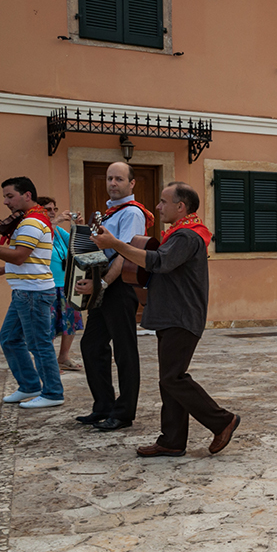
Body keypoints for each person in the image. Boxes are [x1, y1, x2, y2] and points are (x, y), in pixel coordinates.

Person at [92, 182, 240, 458]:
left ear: (180, 206)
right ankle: (172, 440)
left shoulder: (186, 236)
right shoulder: (180, 234)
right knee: (168, 379)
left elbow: (158, 262)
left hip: (181, 316)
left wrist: (115, 244)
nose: (158, 207)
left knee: (173, 378)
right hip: (172, 314)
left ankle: (222, 420)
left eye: (163, 202)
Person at [0, 177, 64, 409]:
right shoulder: (28, 220)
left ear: (27, 195)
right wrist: (5, 269)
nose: (5, 202)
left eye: (9, 196)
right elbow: (32, 259)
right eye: (4, 197)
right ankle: (29, 385)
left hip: (33, 293)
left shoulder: (32, 222)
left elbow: (19, 256)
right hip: (25, 291)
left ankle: (53, 393)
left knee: (39, 344)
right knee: (9, 338)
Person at [75, 162, 151, 431]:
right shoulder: (107, 214)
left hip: (120, 286)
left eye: (119, 179)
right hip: (104, 283)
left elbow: (124, 253)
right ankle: (103, 407)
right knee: (92, 346)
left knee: (124, 351)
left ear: (132, 184)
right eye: (109, 178)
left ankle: (124, 412)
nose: (112, 183)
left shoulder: (131, 213)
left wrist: (103, 284)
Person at [37, 197, 83, 371]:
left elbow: (77, 242)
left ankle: (63, 357)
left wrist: (78, 225)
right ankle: (46, 362)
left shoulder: (58, 232)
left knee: (70, 321)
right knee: (48, 325)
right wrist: (55, 221)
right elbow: (43, 238)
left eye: (54, 209)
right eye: (48, 209)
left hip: (65, 283)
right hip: (47, 284)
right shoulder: (39, 229)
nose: (53, 212)